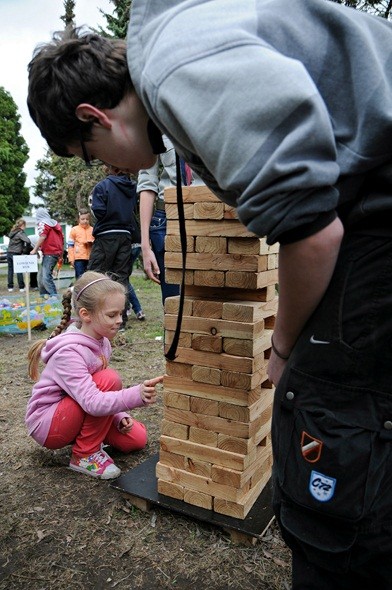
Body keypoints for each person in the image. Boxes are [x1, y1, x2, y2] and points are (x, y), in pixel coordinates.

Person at [26, 3, 392, 586]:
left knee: (329, 404)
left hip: (374, 211)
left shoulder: (178, 72)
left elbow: (315, 235)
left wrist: (284, 345)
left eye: (92, 155)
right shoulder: (179, 61)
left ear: (95, 115)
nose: (108, 170)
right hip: (366, 197)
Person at [26, 270, 163, 480]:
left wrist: (118, 416)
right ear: (85, 315)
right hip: (50, 423)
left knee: (136, 439)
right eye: (112, 315)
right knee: (110, 379)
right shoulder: (68, 352)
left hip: (77, 410)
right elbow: (92, 400)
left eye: (121, 313)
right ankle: (84, 455)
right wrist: (137, 395)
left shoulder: (103, 342)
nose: (120, 320)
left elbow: (91, 394)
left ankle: (90, 441)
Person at [138, 135, 199, 304]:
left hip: (206, 215)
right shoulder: (154, 123)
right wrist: (145, 245)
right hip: (166, 220)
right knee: (174, 305)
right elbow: (147, 183)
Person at [88, 166, 137, 330]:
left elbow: (99, 211)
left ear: (110, 168)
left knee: (96, 275)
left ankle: (93, 317)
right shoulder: (132, 187)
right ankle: (120, 320)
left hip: (106, 235)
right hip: (125, 235)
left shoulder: (102, 186)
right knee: (121, 277)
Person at [30, 207, 64, 296]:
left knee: (46, 277)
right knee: (41, 278)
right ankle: (43, 297)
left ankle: (54, 298)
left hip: (50, 253)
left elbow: (43, 236)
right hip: (54, 253)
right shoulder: (55, 224)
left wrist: (34, 249)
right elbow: (62, 240)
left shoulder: (43, 224)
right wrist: (61, 255)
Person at [67, 208, 94, 279]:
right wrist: (71, 259)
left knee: (90, 278)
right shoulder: (74, 230)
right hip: (79, 259)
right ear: (79, 219)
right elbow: (70, 246)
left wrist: (92, 243)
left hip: (91, 258)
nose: (85, 221)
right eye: (83, 219)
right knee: (80, 278)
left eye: (87, 219)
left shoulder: (93, 230)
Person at [6, 218, 32, 292]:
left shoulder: (13, 231)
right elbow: (28, 241)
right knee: (19, 270)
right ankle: (21, 287)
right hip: (16, 253)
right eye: (25, 225)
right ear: (22, 225)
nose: (25, 227)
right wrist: (26, 249)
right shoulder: (20, 232)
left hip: (9, 252)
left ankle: (10, 287)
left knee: (10, 270)